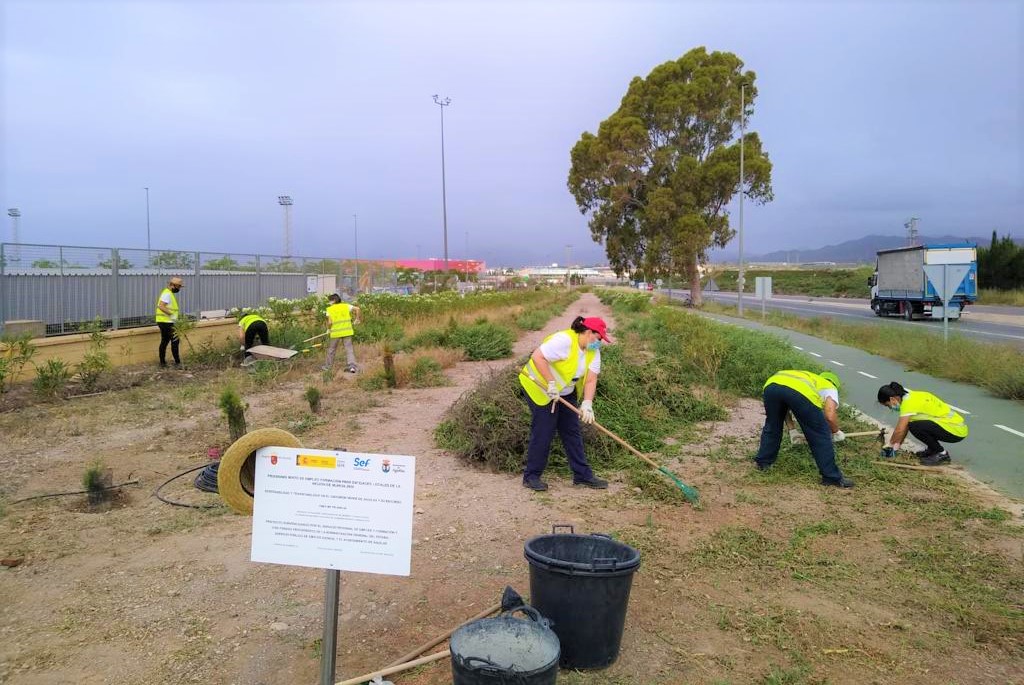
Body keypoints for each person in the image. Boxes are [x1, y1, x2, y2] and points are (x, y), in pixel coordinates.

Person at [518, 316, 612, 491]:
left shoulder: (593, 352)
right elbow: (537, 357)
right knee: (544, 431)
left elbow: (591, 380)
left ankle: (582, 475)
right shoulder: (564, 341)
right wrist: (550, 383)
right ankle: (531, 477)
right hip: (539, 388)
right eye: (598, 339)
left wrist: (587, 404)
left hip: (565, 392)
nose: (599, 344)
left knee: (572, 431)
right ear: (589, 332)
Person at [754, 369, 853, 488]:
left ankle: (763, 463)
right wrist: (836, 432)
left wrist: (792, 430)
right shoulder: (829, 386)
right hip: (796, 392)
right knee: (820, 435)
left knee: (772, 426)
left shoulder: (809, 378)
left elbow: (784, 407)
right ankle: (831, 477)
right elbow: (830, 415)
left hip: (772, 385)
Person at [877, 382, 968, 465]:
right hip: (953, 427)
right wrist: (895, 448)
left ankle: (942, 454)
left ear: (893, 399)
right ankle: (933, 450)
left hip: (955, 430)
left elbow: (900, 430)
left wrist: (889, 446)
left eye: (887, 405)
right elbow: (903, 429)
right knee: (913, 425)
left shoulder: (908, 404)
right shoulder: (912, 396)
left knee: (915, 426)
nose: (890, 408)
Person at [323, 293, 361, 373]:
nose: (329, 302)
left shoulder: (329, 309)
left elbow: (330, 322)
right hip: (347, 331)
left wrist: (328, 329)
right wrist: (357, 319)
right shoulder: (346, 306)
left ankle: (328, 367)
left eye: (330, 301)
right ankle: (352, 367)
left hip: (336, 332)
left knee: (332, 350)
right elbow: (357, 309)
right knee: (349, 349)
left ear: (333, 300)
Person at [155, 276, 183, 368]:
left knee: (165, 341)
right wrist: (171, 314)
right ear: (172, 285)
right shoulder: (167, 294)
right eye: (178, 287)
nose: (179, 289)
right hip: (167, 322)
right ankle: (177, 363)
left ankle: (162, 363)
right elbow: (161, 306)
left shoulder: (168, 293)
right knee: (175, 340)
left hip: (164, 321)